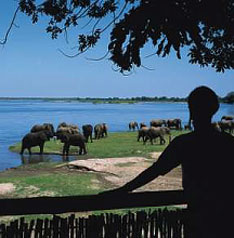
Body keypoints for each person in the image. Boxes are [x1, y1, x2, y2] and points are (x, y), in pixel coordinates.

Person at [101, 86, 234, 237]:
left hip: (198, 218)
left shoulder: (184, 143)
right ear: (214, 109)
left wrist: (123, 190)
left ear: (191, 110)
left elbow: (155, 170)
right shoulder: (228, 143)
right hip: (226, 218)